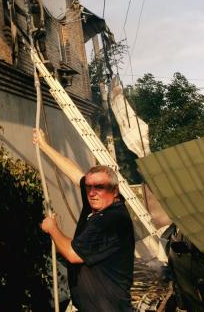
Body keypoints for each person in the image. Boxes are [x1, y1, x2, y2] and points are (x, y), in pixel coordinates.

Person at [33, 129, 134, 311]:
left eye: (99, 187)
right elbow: (73, 173)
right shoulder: (100, 203)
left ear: (115, 190)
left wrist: (52, 228)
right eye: (89, 187)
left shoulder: (110, 220)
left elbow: (73, 254)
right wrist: (44, 145)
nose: (92, 192)